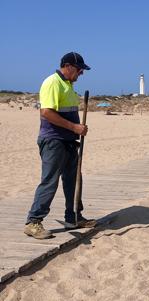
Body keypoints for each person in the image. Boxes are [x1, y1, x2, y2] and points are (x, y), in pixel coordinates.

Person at [24, 52, 96, 239]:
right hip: (53, 141)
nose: (81, 73)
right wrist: (74, 127)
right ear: (68, 66)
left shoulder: (69, 86)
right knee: (50, 181)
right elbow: (46, 112)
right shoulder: (52, 82)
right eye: (79, 69)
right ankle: (33, 222)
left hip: (69, 141)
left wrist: (77, 130)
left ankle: (74, 216)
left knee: (74, 180)